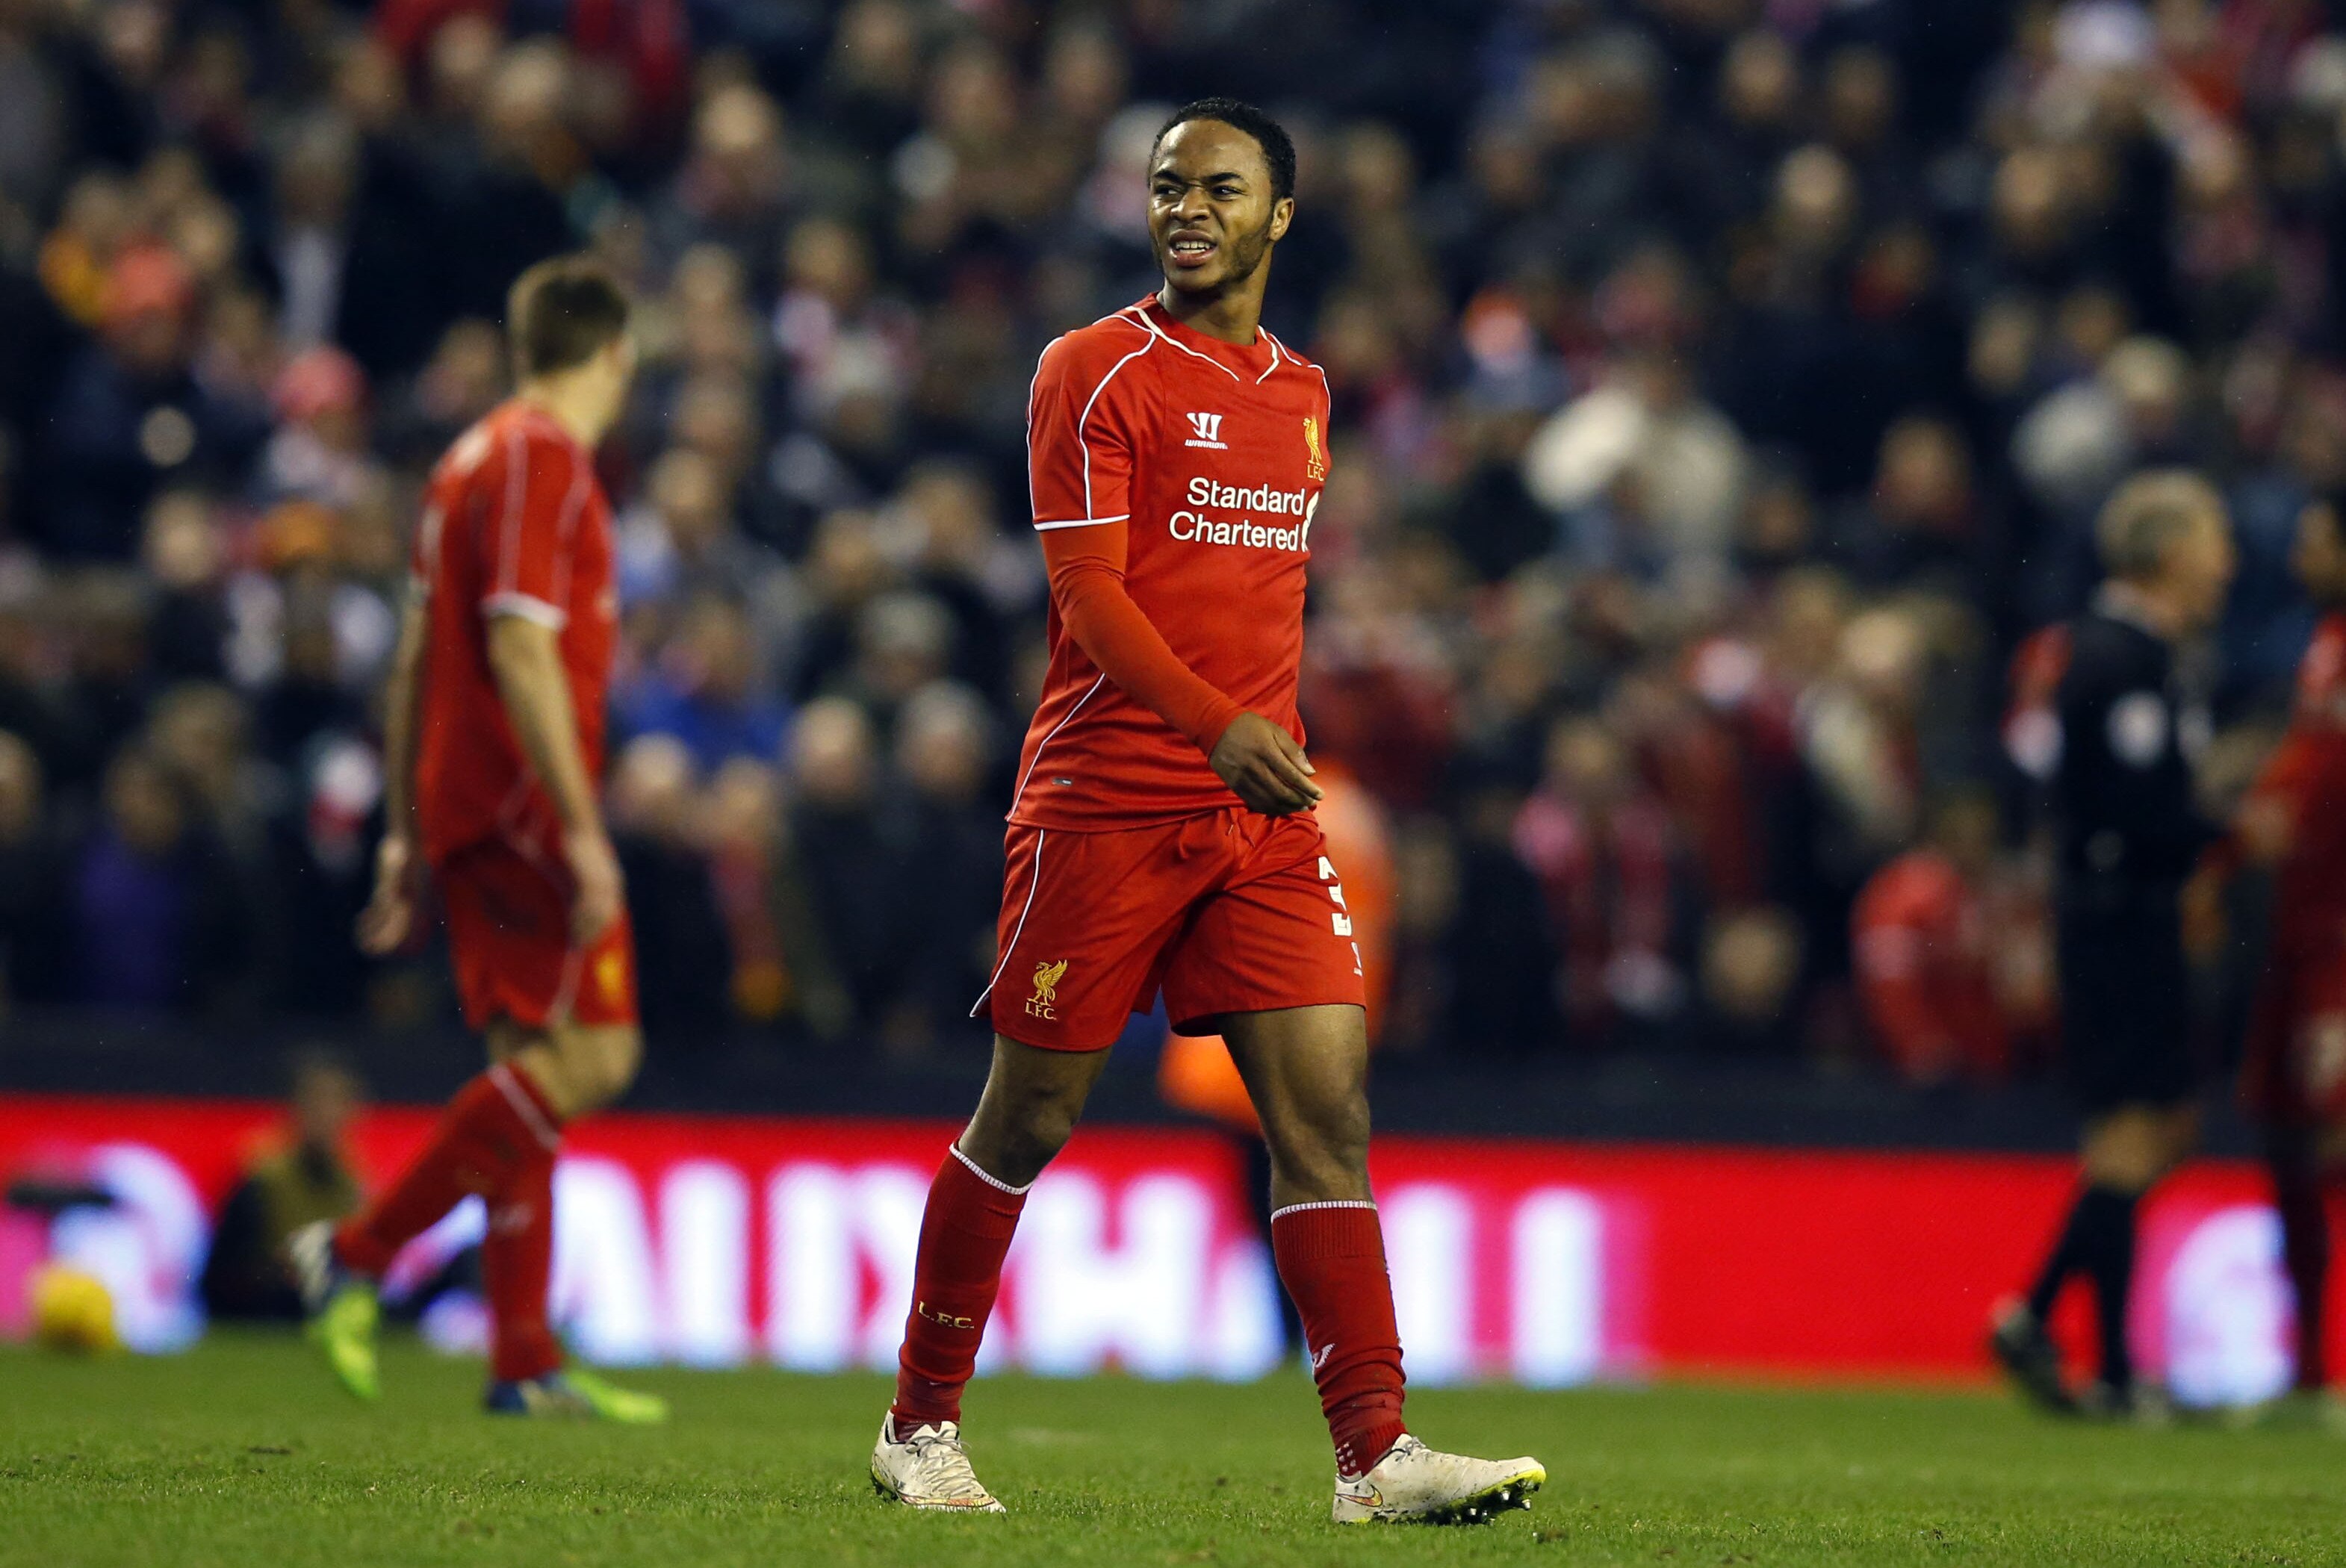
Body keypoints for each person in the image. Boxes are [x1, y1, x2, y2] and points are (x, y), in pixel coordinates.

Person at [867, 99, 1543, 1525]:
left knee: (1327, 1115)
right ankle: (917, 1426)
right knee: (1029, 1114)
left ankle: (1374, 1457)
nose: (1187, 207)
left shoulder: (1303, 393)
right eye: (1168, 185)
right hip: (1108, 800)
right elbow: (1089, 597)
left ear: (1277, 216)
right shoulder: (1093, 369)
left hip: (1259, 816)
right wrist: (1215, 725)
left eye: (1220, 187)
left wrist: (1256, 741)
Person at [288, 257, 665, 1423]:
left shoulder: (464, 462)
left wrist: (406, 832)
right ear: (617, 353)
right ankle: (356, 1250)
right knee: (598, 1059)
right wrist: (583, 830)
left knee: (527, 1063)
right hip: (522, 807)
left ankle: (520, 1358)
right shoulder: (543, 457)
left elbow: (415, 659)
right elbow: (516, 644)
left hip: (468, 803)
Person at [1989, 471, 2236, 1419]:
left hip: (2126, 910)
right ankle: (2110, 1366)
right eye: (2213, 543)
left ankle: (2044, 1319)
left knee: (2158, 1131)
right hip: (2119, 913)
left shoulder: (2122, 652)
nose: (2227, 564)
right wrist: (2231, 832)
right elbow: (2134, 808)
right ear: (2169, 554)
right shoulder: (2119, 658)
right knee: (2133, 1133)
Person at [2210, 491, 2346, 1425]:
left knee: (2331, 1140)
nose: (2301, 555)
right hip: (2298, 942)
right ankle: (2307, 1368)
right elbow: (2303, 773)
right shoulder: (2324, 645)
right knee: (2289, 1141)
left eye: (2317, 539)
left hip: (2338, 943)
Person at [200, 1052, 366, 1322]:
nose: (326, 1115)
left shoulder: (352, 1186)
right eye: (316, 1103)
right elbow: (221, 1276)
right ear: (295, 1109)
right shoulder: (262, 1180)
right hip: (266, 1315)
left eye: (336, 1103)